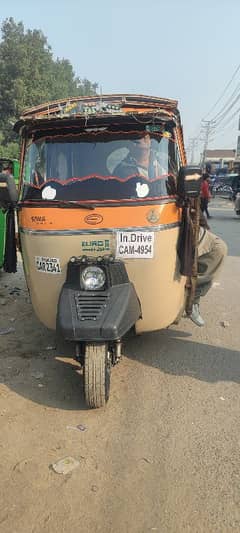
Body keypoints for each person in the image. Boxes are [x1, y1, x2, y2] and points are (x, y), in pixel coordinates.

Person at [190, 212, 227, 326]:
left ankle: (193, 298)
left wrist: (202, 224)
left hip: (181, 219)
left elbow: (192, 198)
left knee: (218, 248)